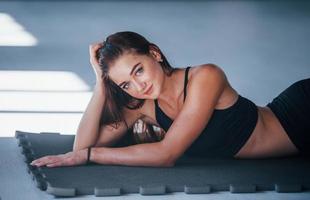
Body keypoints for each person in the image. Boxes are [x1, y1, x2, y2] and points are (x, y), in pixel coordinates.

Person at [30, 31, 310, 168]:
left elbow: (167, 154)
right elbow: (82, 145)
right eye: (125, 83)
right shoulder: (143, 104)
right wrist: (100, 82)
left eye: (138, 70)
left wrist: (92, 156)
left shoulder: (206, 77)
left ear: (154, 53)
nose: (138, 86)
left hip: (300, 114)